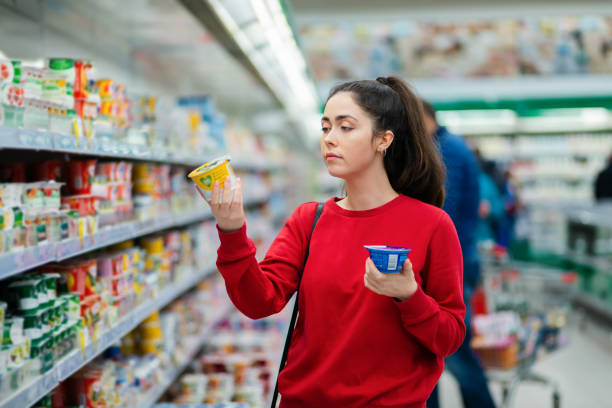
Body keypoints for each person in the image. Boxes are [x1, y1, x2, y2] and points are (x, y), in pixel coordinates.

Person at [202, 77, 466, 407]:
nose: (330, 139)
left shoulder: (431, 225)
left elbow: (449, 337)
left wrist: (409, 296)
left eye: (345, 127)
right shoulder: (308, 221)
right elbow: (259, 302)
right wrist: (232, 232)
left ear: (383, 139)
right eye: (326, 128)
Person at [422, 102, 496, 408]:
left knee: (454, 353)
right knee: (434, 352)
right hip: (456, 260)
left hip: (453, 264)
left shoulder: (445, 150)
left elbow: (440, 213)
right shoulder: (447, 146)